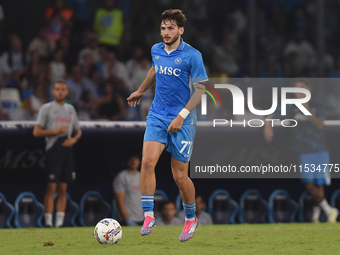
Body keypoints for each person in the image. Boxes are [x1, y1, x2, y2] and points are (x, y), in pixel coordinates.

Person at [127, 9, 208, 242]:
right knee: (147, 162)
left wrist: (182, 115)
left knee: (179, 176)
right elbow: (154, 68)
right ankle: (149, 215)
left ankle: (191, 218)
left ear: (180, 30)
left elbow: (201, 91)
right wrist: (141, 90)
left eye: (170, 28)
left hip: (183, 119)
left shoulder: (193, 55)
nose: (165, 32)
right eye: (163, 28)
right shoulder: (156, 50)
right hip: (157, 115)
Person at [264, 79, 338, 223]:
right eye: (296, 88)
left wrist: (307, 109)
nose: (299, 91)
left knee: (319, 184)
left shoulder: (317, 105)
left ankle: (317, 217)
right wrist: (268, 126)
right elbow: (273, 114)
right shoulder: (290, 106)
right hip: (304, 151)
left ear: (309, 90)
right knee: (308, 183)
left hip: (320, 149)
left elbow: (320, 125)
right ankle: (330, 210)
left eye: (302, 88)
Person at [33, 80, 82, 227]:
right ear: (53, 92)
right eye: (57, 89)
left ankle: (59, 224)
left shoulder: (70, 109)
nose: (60, 91)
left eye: (63, 89)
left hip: (67, 148)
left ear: (67, 92)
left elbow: (78, 130)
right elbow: (36, 131)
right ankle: (48, 222)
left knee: (63, 188)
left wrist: (74, 139)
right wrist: (55, 131)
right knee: (51, 187)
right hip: (53, 148)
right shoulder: (46, 108)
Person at [113, 154, 144, 226]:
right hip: (126, 219)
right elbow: (119, 200)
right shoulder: (121, 176)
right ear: (127, 162)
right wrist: (127, 219)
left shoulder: (142, 176)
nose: (134, 162)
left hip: (141, 218)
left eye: (136, 160)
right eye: (131, 160)